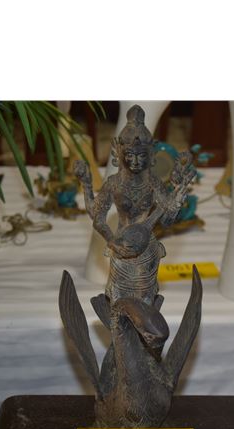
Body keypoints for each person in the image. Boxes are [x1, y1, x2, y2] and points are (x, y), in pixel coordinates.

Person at [74, 104, 195, 304]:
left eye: (141, 155)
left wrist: (177, 199)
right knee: (118, 300)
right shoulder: (114, 184)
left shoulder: (153, 183)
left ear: (151, 155)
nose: (136, 161)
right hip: (121, 247)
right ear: (119, 153)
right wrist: (87, 184)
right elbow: (97, 217)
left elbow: (166, 220)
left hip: (147, 249)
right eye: (130, 155)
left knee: (146, 300)